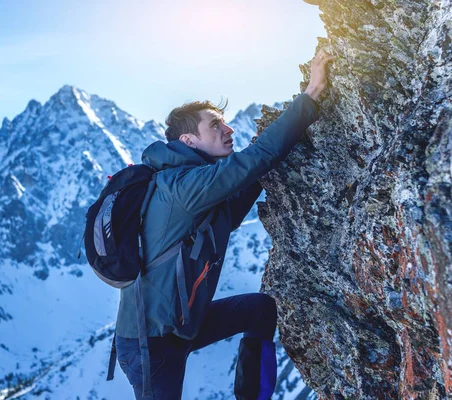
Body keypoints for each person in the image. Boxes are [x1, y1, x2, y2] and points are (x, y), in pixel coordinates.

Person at [114, 49, 336, 399]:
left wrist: (263, 168)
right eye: (215, 125)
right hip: (149, 345)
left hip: (183, 326)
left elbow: (231, 212)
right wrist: (309, 97)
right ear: (189, 141)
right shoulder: (182, 185)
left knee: (261, 310)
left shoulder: (194, 184)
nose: (228, 129)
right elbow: (252, 162)